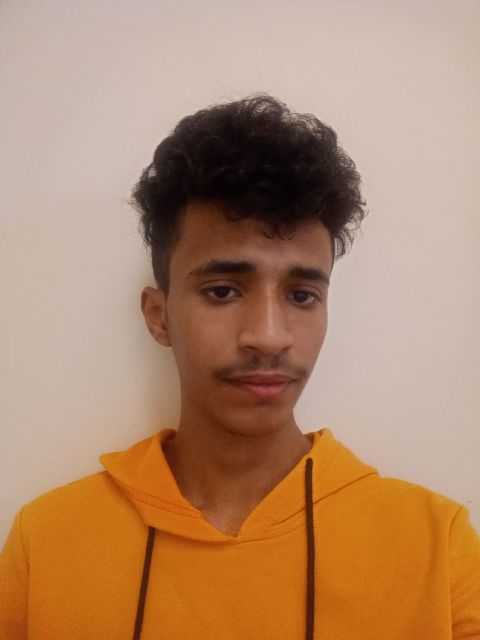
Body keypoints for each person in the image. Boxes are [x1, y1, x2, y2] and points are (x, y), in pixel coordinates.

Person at [1, 94, 479, 640]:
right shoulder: (47, 543)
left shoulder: (439, 549)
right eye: (223, 290)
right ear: (158, 316)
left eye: (301, 295)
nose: (269, 337)